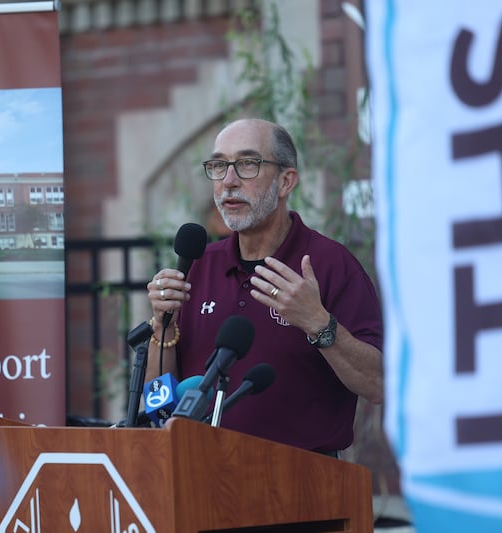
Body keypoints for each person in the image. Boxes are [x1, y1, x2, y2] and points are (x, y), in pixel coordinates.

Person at [145, 118, 383, 454]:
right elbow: (159, 402)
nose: (228, 181)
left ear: (286, 181)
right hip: (201, 476)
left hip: (304, 484)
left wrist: (318, 322)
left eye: (247, 164)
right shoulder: (200, 266)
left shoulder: (330, 265)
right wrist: (163, 326)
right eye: (218, 165)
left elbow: (378, 384)